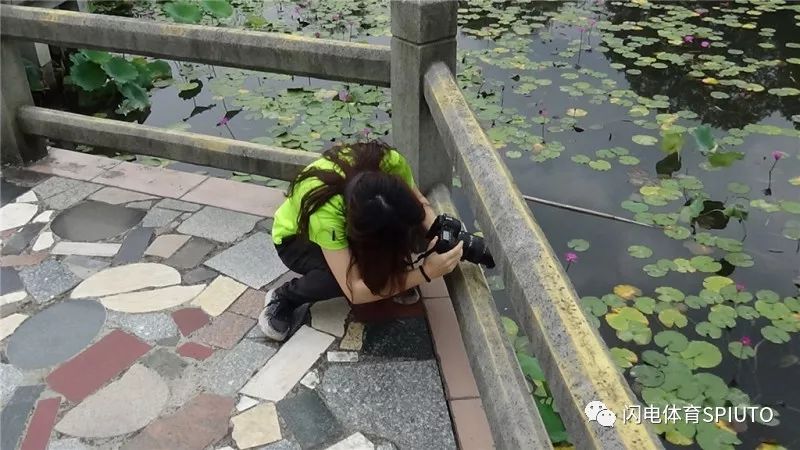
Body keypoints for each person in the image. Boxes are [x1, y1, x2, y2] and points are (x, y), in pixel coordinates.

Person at [259, 140, 464, 341]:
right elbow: (354, 291)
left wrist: (437, 232)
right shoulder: (326, 213)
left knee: (410, 228)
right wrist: (425, 272)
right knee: (337, 280)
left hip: (358, 223)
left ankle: (387, 273)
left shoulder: (390, 162)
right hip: (297, 239)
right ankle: (285, 297)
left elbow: (418, 203)